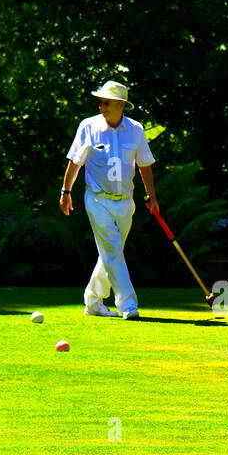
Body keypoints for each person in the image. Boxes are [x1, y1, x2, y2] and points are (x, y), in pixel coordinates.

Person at [59, 81, 157, 319]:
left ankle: (93, 301)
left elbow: (144, 164)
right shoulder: (88, 126)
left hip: (125, 202)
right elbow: (75, 161)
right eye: (100, 102)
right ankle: (129, 305)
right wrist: (66, 191)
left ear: (121, 105)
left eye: (107, 102)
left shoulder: (136, 129)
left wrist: (151, 195)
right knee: (112, 250)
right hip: (97, 199)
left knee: (111, 253)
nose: (101, 106)